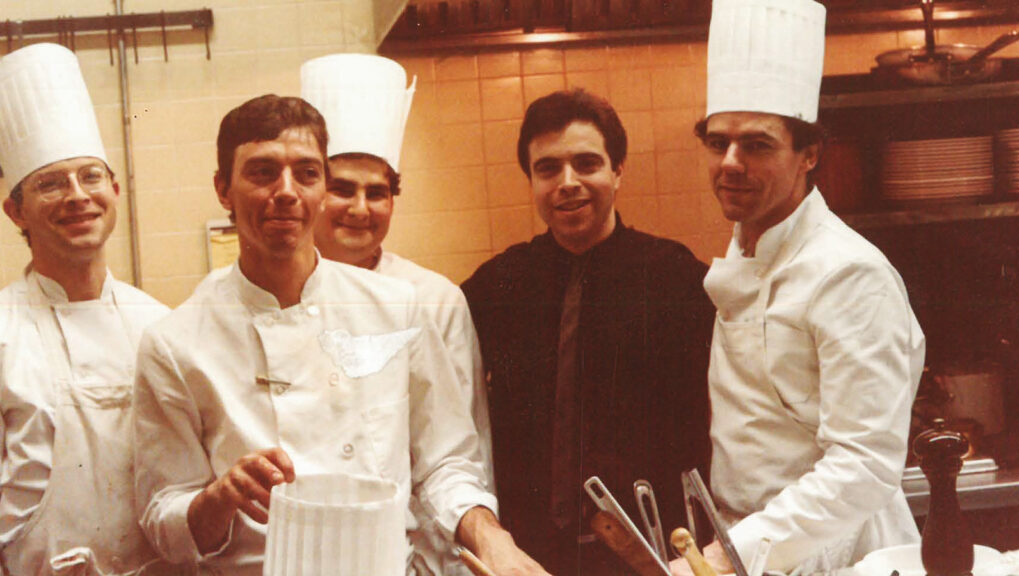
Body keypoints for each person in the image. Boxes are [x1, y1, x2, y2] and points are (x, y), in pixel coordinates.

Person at [132, 94, 541, 575]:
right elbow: (162, 516)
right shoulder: (175, 342)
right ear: (223, 189)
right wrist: (216, 500)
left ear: (322, 188)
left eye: (306, 173)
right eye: (263, 172)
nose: (286, 191)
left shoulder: (397, 309)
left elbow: (446, 464)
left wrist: (492, 538)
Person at [672, 0, 924, 573]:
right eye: (718, 143)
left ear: (809, 154)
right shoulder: (745, 255)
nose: (730, 163)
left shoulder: (848, 275)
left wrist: (739, 551)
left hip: (839, 553)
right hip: (750, 546)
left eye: (757, 145)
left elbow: (862, 464)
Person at [461, 88, 714, 575]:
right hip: (528, 556)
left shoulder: (677, 279)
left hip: (655, 552)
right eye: (548, 168)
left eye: (586, 163)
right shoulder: (496, 286)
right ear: (531, 180)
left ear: (618, 171)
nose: (567, 182)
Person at [301, 53, 494, 576]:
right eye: (342, 188)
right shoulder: (284, 295)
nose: (360, 209)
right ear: (314, 191)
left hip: (422, 560)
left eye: (377, 192)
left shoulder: (433, 298)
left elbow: (462, 449)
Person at [0, 43, 171, 575]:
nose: (77, 196)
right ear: (16, 210)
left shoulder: (161, 325)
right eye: (50, 183)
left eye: (90, 176)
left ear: (115, 189)